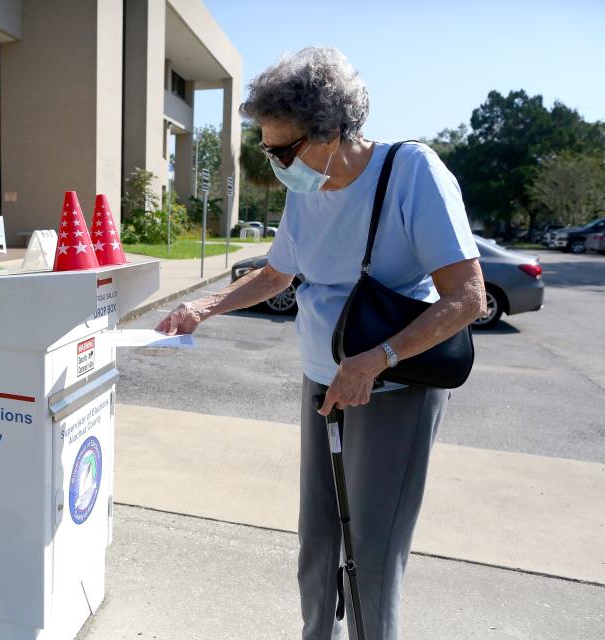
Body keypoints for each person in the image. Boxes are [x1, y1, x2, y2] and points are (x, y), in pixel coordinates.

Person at [155, 47, 486, 640]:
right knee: (317, 540)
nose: (276, 163)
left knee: (373, 551)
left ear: (333, 130)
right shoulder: (304, 189)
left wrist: (375, 360)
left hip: (392, 386)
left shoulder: (413, 173)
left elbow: (467, 299)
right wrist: (204, 306)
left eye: (283, 149)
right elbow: (278, 274)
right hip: (322, 379)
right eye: (267, 149)